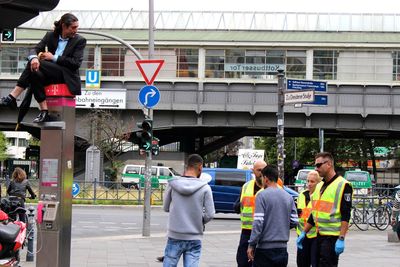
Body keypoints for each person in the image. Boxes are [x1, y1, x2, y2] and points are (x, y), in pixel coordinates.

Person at [0, 13, 86, 123]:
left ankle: (12, 96)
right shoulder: (50, 36)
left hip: (65, 75)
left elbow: (75, 63)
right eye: (73, 27)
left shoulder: (80, 40)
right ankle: (44, 111)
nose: (76, 30)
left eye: (77, 27)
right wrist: (34, 58)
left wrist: (53, 57)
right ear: (64, 26)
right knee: (34, 71)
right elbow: (35, 49)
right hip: (49, 73)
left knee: (37, 63)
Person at [297, 152, 353, 267]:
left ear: (329, 164)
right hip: (319, 236)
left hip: (332, 238)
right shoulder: (319, 186)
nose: (316, 169)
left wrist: (341, 238)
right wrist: (304, 232)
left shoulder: (343, 185)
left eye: (318, 165)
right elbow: (314, 213)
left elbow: (346, 214)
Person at [162, 154, 215, 267]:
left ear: (187, 166)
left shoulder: (172, 184)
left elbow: (165, 208)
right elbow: (210, 214)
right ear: (200, 167)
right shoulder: (205, 187)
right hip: (194, 236)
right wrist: (200, 221)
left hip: (175, 235)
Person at [247, 165, 298, 267]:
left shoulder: (262, 196)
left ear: (265, 178)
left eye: (262, 177)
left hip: (264, 250)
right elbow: (295, 220)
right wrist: (281, 226)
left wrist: (251, 245)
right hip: (282, 250)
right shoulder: (288, 197)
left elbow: (258, 223)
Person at [234, 160, 267, 267]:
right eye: (259, 170)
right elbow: (237, 207)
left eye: (264, 170)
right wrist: (239, 205)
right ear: (253, 171)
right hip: (247, 232)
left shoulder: (270, 188)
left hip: (264, 234)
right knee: (243, 262)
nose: (262, 173)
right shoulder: (246, 186)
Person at [296, 170, 322, 267]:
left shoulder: (320, 196)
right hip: (302, 235)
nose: (309, 184)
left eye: (312, 181)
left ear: (318, 183)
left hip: (315, 236)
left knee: (315, 263)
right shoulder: (302, 195)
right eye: (308, 181)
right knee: (301, 263)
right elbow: (299, 214)